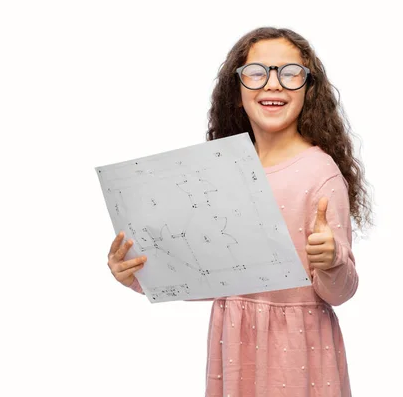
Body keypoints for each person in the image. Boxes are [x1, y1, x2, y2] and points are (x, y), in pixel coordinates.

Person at [107, 27, 373, 397]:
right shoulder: (222, 171)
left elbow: (341, 292)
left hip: (299, 351)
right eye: (256, 73)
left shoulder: (320, 172)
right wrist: (137, 275)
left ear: (308, 89)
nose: (273, 85)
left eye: (290, 73)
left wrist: (331, 260)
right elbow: (209, 272)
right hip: (236, 346)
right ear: (237, 92)